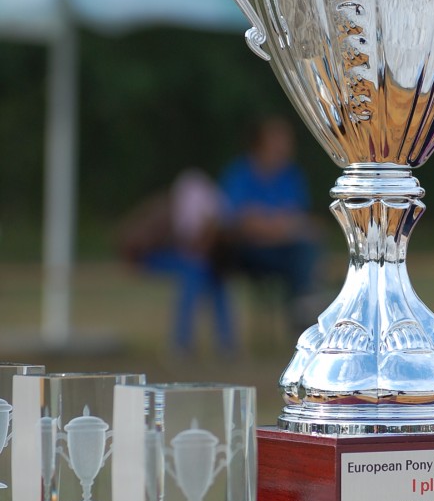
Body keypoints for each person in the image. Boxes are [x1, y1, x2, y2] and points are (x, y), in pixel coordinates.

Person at [217, 116, 322, 326]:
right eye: (279, 139)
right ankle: (304, 316)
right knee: (302, 253)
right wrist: (278, 226)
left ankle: (304, 311)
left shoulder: (291, 175)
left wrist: (266, 223)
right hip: (247, 253)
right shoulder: (240, 173)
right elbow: (239, 221)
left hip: (282, 251)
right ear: (261, 142)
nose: (285, 145)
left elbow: (299, 220)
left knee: (306, 249)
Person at [119, 169, 234, 353]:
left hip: (185, 258)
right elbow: (135, 242)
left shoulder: (208, 204)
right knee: (195, 271)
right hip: (150, 255)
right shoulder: (182, 210)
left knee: (209, 274)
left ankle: (211, 344)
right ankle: (187, 342)